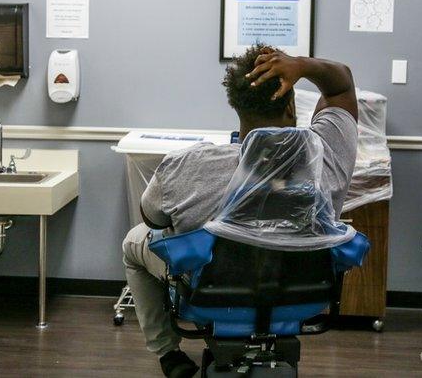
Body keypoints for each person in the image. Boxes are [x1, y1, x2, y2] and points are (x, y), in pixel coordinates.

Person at [122, 45, 358, 378]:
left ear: (236, 106)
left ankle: (168, 353)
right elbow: (341, 85)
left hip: (211, 296)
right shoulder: (326, 159)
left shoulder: (188, 165)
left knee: (135, 242)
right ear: (292, 106)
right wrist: (302, 66)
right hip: (303, 295)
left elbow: (153, 220)